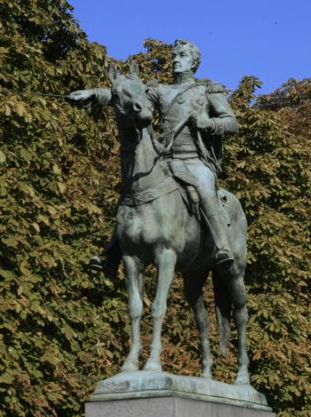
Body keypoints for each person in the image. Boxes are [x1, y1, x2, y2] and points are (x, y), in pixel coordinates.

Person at [69, 39, 239, 276]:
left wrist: (207, 122)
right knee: (132, 193)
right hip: (164, 158)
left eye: (182, 56)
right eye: (174, 56)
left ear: (194, 62)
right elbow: (129, 96)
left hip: (194, 160)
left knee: (205, 188)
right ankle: (112, 253)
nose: (176, 60)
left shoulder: (207, 89)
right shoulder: (161, 90)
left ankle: (223, 247)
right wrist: (93, 94)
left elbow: (232, 122)